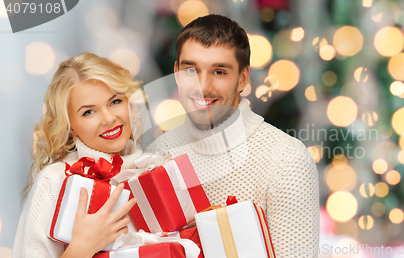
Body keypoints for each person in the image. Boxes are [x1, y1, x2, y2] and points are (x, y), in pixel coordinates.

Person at [146, 14, 319, 258]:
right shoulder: (155, 155)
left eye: (219, 72)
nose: (202, 87)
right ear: (176, 73)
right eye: (191, 70)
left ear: (242, 78)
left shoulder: (287, 159)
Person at [13, 53, 143, 258]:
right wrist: (82, 248)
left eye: (115, 101)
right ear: (71, 126)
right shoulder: (54, 180)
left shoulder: (154, 169)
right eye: (88, 112)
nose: (109, 118)